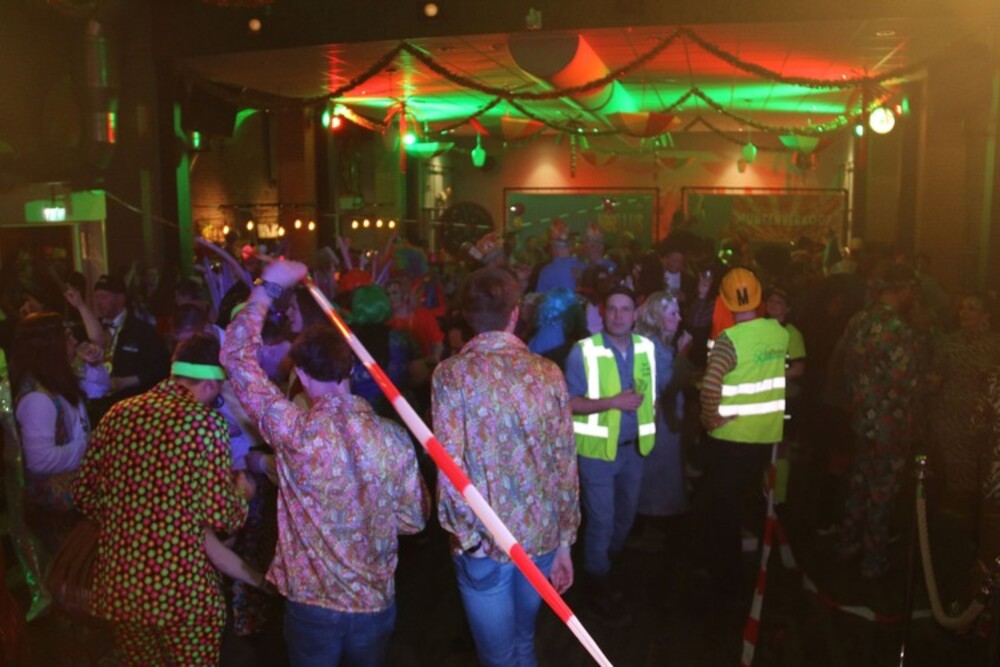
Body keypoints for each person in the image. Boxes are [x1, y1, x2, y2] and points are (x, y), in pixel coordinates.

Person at [221, 260, 428, 667]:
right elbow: (414, 520)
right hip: (373, 602)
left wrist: (267, 288)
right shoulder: (393, 437)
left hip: (311, 604)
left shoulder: (293, 430)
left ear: (299, 373)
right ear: (349, 368)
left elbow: (235, 357)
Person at [432, 267, 579, 667]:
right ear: (515, 313)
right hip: (540, 537)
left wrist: (468, 540)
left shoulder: (452, 375)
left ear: (467, 316)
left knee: (498, 655)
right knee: (523, 640)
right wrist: (565, 541)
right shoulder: (547, 373)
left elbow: (448, 465)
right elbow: (565, 461)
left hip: (483, 541)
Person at [73, 334, 250, 665]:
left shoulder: (118, 413)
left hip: (121, 587)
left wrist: (130, 521)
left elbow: (83, 494)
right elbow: (222, 516)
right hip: (181, 593)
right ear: (210, 385)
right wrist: (242, 493)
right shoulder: (205, 424)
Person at [564, 284, 668, 626]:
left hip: (633, 451)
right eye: (612, 309)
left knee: (624, 517)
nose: (619, 315)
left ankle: (605, 566)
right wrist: (613, 402)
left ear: (635, 314)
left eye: (625, 309)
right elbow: (569, 403)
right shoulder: (584, 351)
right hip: (597, 454)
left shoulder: (647, 348)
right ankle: (598, 585)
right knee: (602, 521)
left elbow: (653, 393)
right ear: (602, 312)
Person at [698, 268, 789, 602]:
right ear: (759, 296)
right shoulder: (780, 334)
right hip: (765, 437)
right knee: (746, 501)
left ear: (724, 300)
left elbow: (710, 385)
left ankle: (727, 581)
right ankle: (756, 575)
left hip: (731, 438)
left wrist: (710, 419)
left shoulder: (730, 340)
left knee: (721, 510)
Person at [834, 264, 922, 578]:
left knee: (859, 481)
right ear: (901, 289)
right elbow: (905, 378)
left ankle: (847, 544)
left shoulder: (859, 320)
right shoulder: (898, 327)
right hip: (890, 422)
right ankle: (874, 559)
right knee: (882, 489)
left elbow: (843, 364)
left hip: (861, 416)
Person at [633, 291, 693, 545]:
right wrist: (683, 355)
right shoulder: (652, 347)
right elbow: (666, 386)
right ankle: (649, 527)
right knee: (657, 474)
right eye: (672, 314)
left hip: (664, 423)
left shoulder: (657, 344)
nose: (679, 319)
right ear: (657, 317)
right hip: (659, 424)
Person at [90, 273, 170, 409]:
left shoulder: (141, 331)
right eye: (96, 297)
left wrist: (130, 381)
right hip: (98, 406)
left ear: (120, 298)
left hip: (131, 405)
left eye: (104, 297)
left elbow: (161, 368)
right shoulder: (93, 329)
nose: (98, 303)